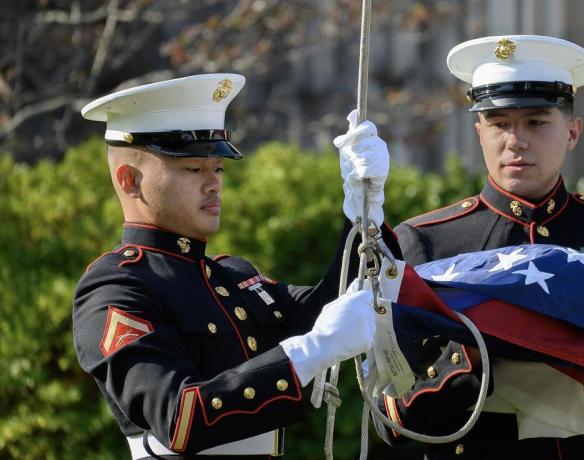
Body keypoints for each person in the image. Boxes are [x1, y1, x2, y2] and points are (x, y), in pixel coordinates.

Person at [370, 36, 584, 459]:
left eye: (536, 122)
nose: (516, 141)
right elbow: (389, 414)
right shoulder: (428, 241)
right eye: (499, 123)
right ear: (479, 133)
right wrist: (475, 357)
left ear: (572, 132)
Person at [72, 73, 392, 458]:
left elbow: (333, 306)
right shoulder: (117, 288)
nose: (213, 184)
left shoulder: (233, 276)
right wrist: (311, 351)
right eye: (193, 169)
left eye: (219, 169)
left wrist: (363, 210)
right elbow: (178, 417)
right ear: (130, 180)